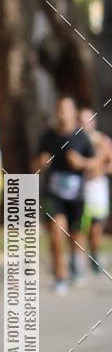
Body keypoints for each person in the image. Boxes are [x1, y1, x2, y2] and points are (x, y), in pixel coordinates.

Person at [35, 95, 99, 294]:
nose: (62, 113)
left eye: (66, 109)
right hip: (54, 194)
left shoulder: (81, 137)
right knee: (56, 231)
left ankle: (74, 261)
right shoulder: (49, 136)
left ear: (73, 112)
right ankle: (60, 275)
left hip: (77, 195)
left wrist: (82, 163)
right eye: (59, 109)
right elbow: (35, 164)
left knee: (75, 235)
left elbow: (95, 165)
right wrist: (41, 162)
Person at [78, 107, 112, 274]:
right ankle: (77, 260)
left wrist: (99, 168)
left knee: (95, 228)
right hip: (79, 189)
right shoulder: (74, 140)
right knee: (79, 227)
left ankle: (95, 255)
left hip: (97, 190)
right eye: (82, 121)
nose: (85, 124)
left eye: (88, 120)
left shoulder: (103, 141)